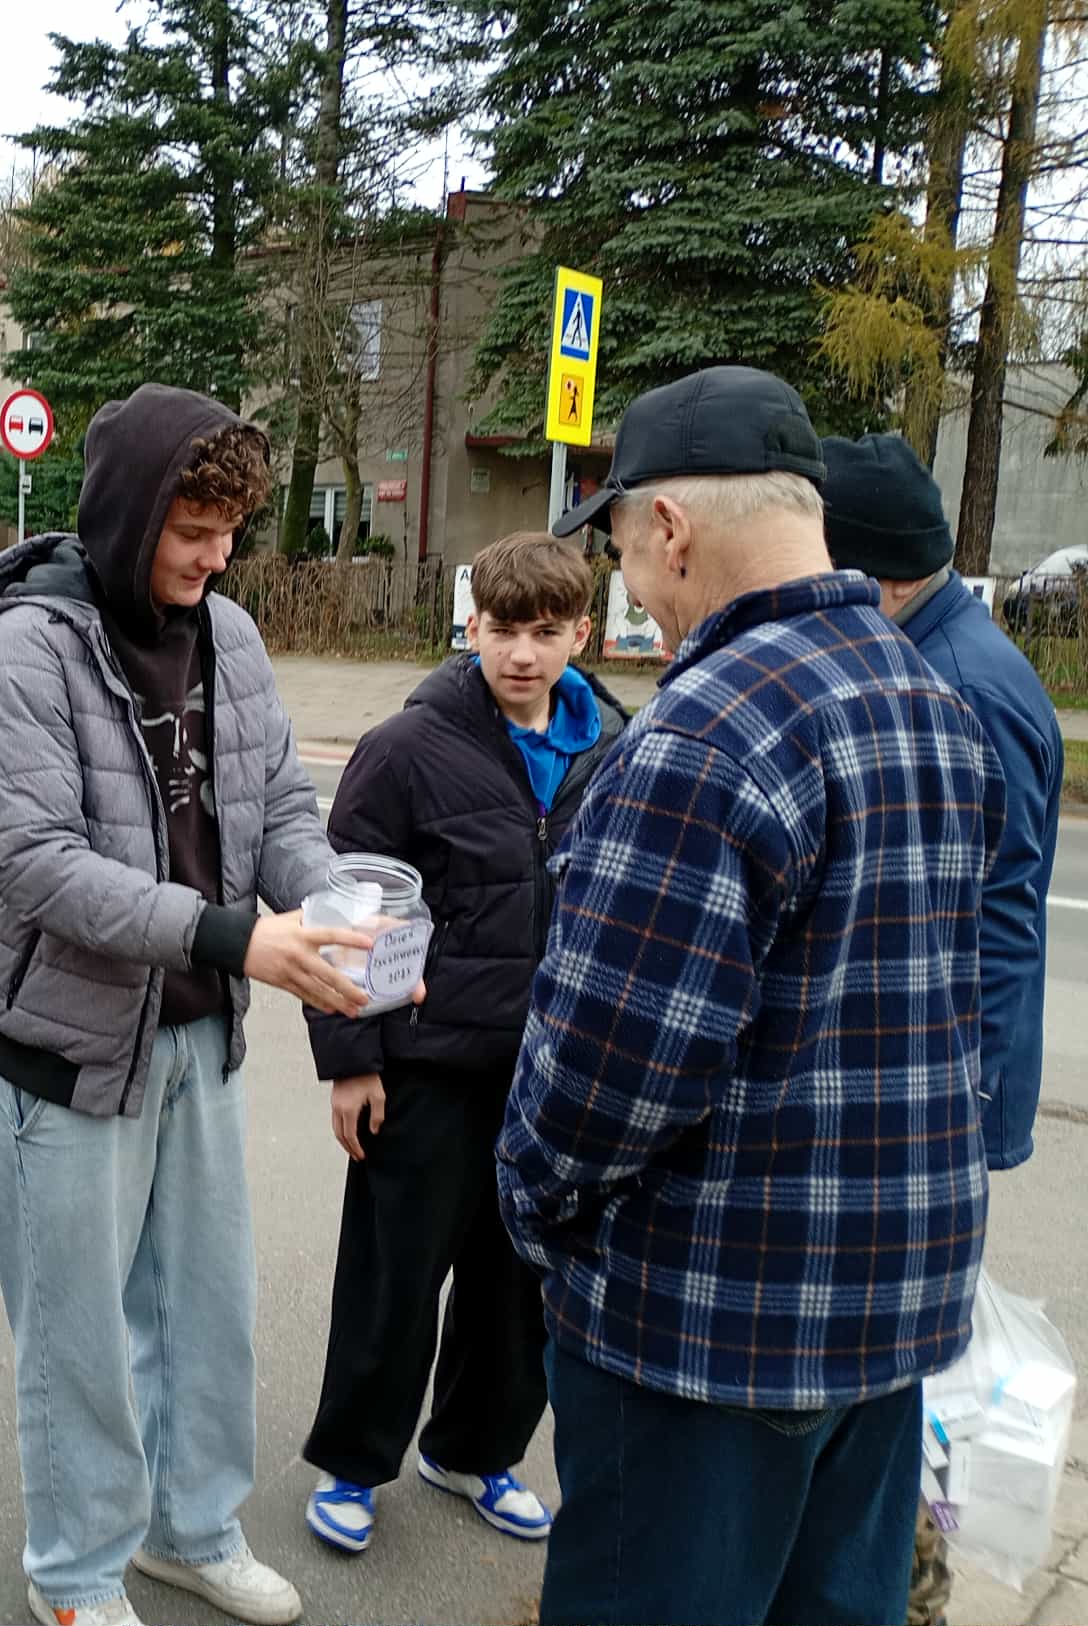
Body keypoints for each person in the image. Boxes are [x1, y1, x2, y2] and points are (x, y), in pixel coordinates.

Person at [500, 366, 1001, 1626]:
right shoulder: (928, 696)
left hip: (710, 1335)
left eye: (621, 546)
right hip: (887, 1312)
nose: (628, 585)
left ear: (669, 528)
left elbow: (611, 1070)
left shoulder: (703, 734)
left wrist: (531, 1203)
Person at [0, 384, 386, 1626]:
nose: (217, 555)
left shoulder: (232, 639)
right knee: (78, 1335)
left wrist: (334, 902)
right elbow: (38, 864)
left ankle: (188, 1532)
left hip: (204, 1018)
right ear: (127, 511)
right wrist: (234, 934)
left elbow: (282, 812)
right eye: (192, 529)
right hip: (71, 1045)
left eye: (230, 531)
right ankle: (78, 1575)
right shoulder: (25, 652)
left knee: (207, 1311)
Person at [300, 532, 626, 1558]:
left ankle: (476, 1450)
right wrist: (351, 1058)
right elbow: (343, 914)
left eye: (544, 632)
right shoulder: (409, 748)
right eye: (501, 629)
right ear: (469, 625)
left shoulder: (617, 747)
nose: (521, 653)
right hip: (430, 1065)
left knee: (518, 1285)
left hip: (556, 1073)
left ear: (584, 631)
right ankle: (355, 1465)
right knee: (396, 1275)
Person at [820, 432, 1066, 1626]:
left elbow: (995, 918)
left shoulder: (961, 682)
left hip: (947, 1082)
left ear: (873, 572)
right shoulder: (944, 651)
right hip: (949, 1076)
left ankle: (906, 1588)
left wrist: (960, 1097)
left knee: (899, 1361)